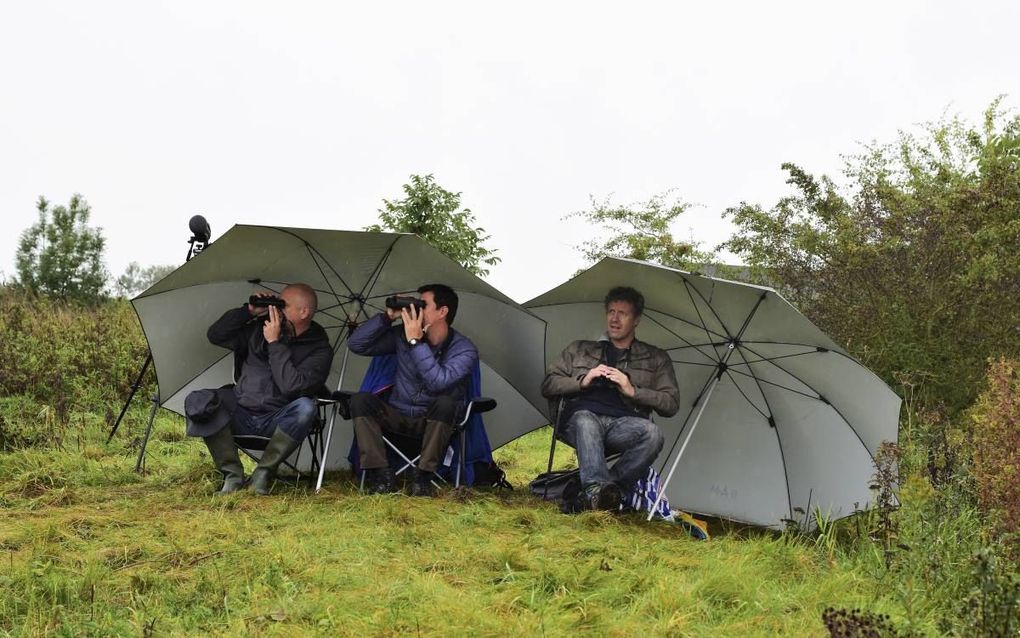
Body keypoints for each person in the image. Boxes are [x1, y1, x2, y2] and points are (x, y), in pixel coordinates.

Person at [541, 286, 680, 512]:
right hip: (578, 419)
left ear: (636, 320)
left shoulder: (656, 358)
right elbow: (548, 384)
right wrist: (583, 380)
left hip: (622, 424)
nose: (614, 319)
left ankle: (598, 494)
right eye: (611, 312)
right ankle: (598, 492)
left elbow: (671, 403)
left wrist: (632, 390)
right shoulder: (580, 348)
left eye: (622, 314)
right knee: (586, 419)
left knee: (653, 434)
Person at [185, 283, 333, 495]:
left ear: (304, 312)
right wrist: (249, 311)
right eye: (277, 304)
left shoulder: (320, 349)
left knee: (306, 408)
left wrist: (275, 344)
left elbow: (293, 387)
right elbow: (215, 335)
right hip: (241, 411)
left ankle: (262, 474)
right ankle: (232, 476)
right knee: (200, 400)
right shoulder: (258, 329)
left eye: (283, 306)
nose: (277, 310)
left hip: (278, 419)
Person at [347, 283, 479, 496]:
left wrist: (416, 343)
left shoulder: (464, 350)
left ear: (442, 312)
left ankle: (423, 477)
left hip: (433, 425)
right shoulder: (402, 336)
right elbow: (356, 345)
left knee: (446, 403)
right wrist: (387, 317)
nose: (415, 309)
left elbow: (438, 383)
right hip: (397, 416)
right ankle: (381, 475)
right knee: (360, 400)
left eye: (422, 305)